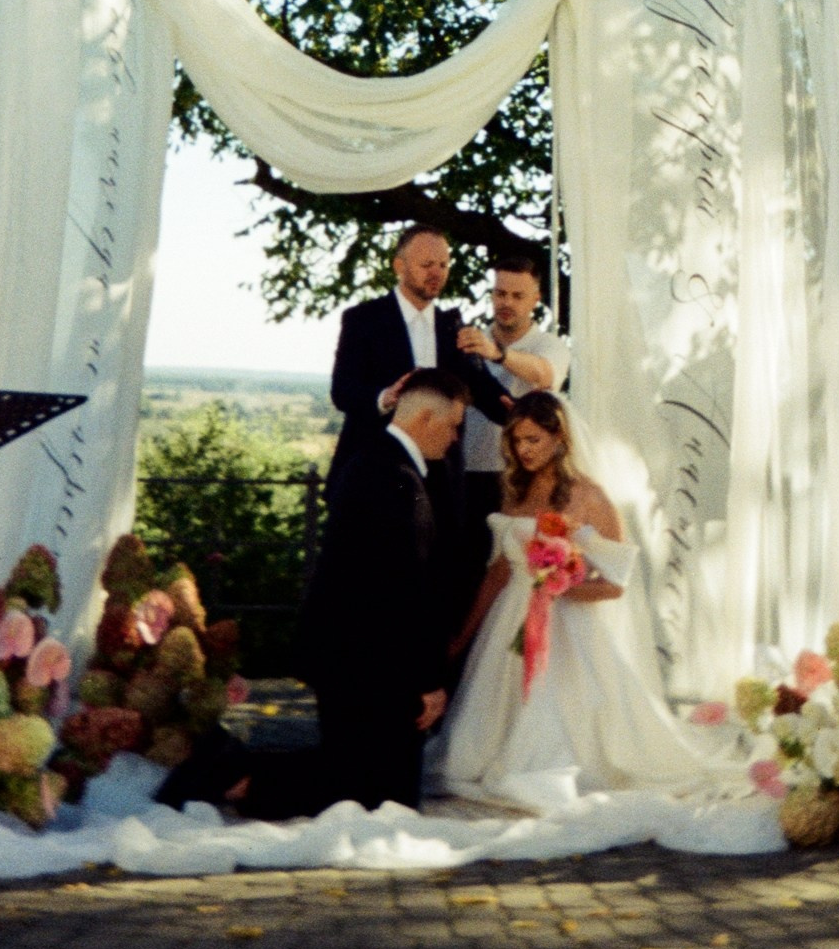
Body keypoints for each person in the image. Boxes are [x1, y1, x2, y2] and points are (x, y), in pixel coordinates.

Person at [431, 390, 721, 811]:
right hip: (510, 622)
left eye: (533, 440)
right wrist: (462, 636)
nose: (523, 450)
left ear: (560, 438)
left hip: (568, 626)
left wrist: (561, 586)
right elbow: (500, 571)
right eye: (517, 440)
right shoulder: (515, 490)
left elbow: (616, 584)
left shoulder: (591, 497)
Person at [294, 368, 468, 811]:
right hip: (371, 669)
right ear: (426, 418)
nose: (454, 439)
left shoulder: (375, 461)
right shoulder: (396, 478)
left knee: (358, 792)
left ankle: (239, 779)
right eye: (452, 425)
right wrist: (428, 681)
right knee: (380, 802)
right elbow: (406, 592)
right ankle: (236, 779)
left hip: (356, 660)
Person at [328, 225, 510, 500]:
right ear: (399, 266)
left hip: (442, 482)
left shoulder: (453, 327)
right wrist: (385, 398)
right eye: (427, 265)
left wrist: (526, 413)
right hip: (373, 475)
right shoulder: (363, 319)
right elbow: (343, 391)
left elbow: (486, 392)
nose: (436, 273)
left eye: (443, 265)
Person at [454, 248, 571, 592]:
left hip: (519, 480)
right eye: (500, 293)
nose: (506, 302)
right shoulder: (469, 341)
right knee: (464, 580)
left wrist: (498, 354)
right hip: (464, 475)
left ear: (536, 299)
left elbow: (544, 374)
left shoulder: (549, 345)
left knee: (512, 579)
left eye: (518, 296)